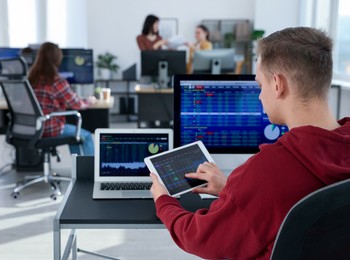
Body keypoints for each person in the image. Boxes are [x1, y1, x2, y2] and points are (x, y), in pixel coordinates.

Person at [150, 27, 350, 259]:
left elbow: (197, 237)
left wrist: (162, 199)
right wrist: (234, 190)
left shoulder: (267, 171)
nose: (259, 96)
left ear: (278, 84)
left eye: (260, 85)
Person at [28, 42, 94, 156]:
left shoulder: (31, 79)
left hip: (32, 126)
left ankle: (78, 170)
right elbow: (76, 104)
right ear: (57, 59)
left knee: (74, 134)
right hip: (50, 127)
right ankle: (91, 171)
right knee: (86, 136)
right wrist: (89, 101)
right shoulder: (56, 81)